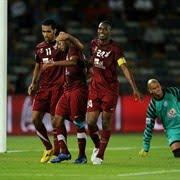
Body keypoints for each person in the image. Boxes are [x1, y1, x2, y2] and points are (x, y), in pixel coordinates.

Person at [28, 18, 84, 163]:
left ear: (54, 31)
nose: (45, 34)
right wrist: (33, 83)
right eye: (43, 31)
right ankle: (48, 147)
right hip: (43, 88)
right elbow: (38, 65)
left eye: (48, 31)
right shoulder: (39, 47)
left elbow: (77, 49)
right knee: (35, 119)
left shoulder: (61, 45)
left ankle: (62, 151)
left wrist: (68, 38)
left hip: (59, 87)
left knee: (56, 120)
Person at [87, 20, 142, 165]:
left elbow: (124, 67)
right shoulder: (93, 44)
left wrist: (134, 88)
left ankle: (100, 155)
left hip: (109, 90)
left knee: (105, 122)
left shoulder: (115, 48)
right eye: (100, 28)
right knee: (90, 122)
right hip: (94, 89)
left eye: (105, 29)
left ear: (109, 32)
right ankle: (98, 145)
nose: (102, 31)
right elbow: (91, 62)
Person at [42, 37, 88, 164]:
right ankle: (64, 152)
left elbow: (73, 63)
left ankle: (82, 155)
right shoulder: (65, 52)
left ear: (67, 41)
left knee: (78, 122)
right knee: (57, 120)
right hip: (67, 90)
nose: (58, 45)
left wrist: (54, 63)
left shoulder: (74, 50)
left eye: (60, 43)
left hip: (78, 90)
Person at [139, 79, 180, 158]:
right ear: (150, 91)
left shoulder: (172, 92)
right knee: (177, 153)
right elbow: (149, 128)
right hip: (172, 130)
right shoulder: (152, 106)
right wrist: (145, 148)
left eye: (158, 86)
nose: (157, 89)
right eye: (154, 88)